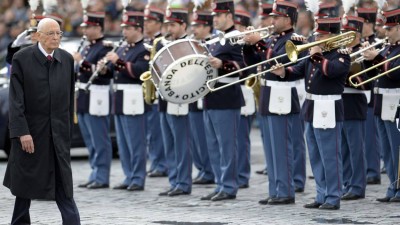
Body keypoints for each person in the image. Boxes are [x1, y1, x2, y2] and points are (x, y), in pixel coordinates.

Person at [3, 18, 80, 225]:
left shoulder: (66, 59)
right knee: (25, 187)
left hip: (57, 135)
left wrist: (67, 132)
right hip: (31, 134)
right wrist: (21, 132)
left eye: (58, 34)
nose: (55, 38)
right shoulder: (22, 58)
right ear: (38, 35)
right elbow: (16, 101)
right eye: (50, 34)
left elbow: (68, 99)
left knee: (64, 186)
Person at [271, 17, 351, 210]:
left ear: (331, 36)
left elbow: (331, 71)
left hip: (329, 108)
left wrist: (317, 56)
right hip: (312, 107)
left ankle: (333, 196)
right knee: (315, 155)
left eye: (320, 35)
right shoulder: (313, 54)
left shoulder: (340, 54)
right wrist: (283, 72)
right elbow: (299, 71)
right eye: (316, 34)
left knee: (330, 155)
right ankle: (321, 194)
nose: (316, 37)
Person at [243, 0, 304, 205]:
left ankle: (286, 191)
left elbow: (281, 61)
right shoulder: (273, 38)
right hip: (269, 95)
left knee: (282, 147)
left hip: (283, 97)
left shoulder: (295, 39)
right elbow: (254, 63)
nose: (272, 20)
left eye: (276, 17)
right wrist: (248, 45)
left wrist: (259, 42)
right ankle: (275, 189)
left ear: (287, 19)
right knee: (271, 148)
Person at [99, 11, 150, 191]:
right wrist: (105, 69)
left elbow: (139, 71)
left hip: (133, 98)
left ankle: (137, 177)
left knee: (135, 141)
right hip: (120, 98)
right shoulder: (122, 48)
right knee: (123, 142)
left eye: (128, 28)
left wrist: (118, 62)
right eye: (124, 28)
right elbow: (115, 72)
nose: (124, 32)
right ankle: (129, 175)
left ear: (138, 28)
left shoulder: (144, 49)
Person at [200, 0, 245, 201]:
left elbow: (245, 66)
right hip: (211, 96)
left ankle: (229, 186)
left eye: (218, 15)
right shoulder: (217, 39)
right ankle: (220, 183)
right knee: (214, 146)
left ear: (228, 15)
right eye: (214, 16)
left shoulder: (235, 38)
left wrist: (223, 64)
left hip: (227, 96)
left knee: (227, 146)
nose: (215, 19)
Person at [362, 8, 400, 203]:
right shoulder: (386, 48)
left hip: (395, 102)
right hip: (380, 102)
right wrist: (368, 61)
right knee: (386, 150)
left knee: (397, 148)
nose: (386, 32)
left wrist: (376, 58)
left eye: (390, 28)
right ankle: (393, 185)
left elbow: (394, 74)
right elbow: (372, 77)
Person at [72, 12, 114, 189]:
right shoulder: (87, 46)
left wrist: (81, 62)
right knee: (89, 139)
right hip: (83, 97)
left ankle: (102, 175)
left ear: (97, 27)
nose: (85, 30)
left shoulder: (105, 48)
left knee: (99, 139)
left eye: (88, 27)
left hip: (97, 96)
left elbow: (101, 72)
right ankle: (94, 172)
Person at [157, 7, 193, 197]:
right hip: (164, 99)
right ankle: (174, 180)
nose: (169, 28)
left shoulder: (189, 45)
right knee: (169, 143)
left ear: (183, 25)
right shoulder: (163, 43)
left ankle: (183, 182)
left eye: (173, 25)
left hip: (180, 99)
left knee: (181, 143)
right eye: (167, 25)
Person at [340, 15, 368, 200]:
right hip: (340, 102)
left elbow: (366, 81)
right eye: (342, 32)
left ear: (357, 34)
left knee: (355, 148)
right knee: (343, 148)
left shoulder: (365, 51)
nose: (343, 35)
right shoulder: (340, 51)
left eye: (347, 33)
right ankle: (347, 183)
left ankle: (357, 185)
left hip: (355, 102)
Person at [189, 10, 215, 185]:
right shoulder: (192, 43)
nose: (194, 29)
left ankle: (210, 171)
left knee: (207, 139)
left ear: (207, 26)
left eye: (198, 25)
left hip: (208, 94)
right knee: (196, 138)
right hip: (193, 95)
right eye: (193, 25)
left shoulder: (213, 43)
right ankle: (203, 169)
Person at [143, 5, 168, 178]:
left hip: (161, 91)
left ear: (159, 23)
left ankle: (161, 163)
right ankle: (155, 161)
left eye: (150, 21)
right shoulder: (151, 43)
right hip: (150, 92)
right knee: (152, 131)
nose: (146, 24)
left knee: (158, 131)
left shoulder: (161, 42)